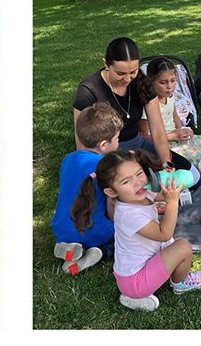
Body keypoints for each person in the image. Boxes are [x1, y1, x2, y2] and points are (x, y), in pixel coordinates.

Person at [71, 148, 201, 311]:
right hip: (135, 281)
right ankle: (180, 283)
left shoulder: (139, 194)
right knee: (183, 247)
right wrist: (172, 203)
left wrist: (168, 180)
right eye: (126, 181)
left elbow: (163, 194)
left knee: (169, 243)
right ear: (111, 192)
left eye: (139, 173)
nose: (138, 182)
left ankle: (142, 289)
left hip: (134, 269)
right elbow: (163, 233)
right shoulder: (129, 214)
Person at [73, 37, 198, 177]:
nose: (127, 79)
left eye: (133, 71)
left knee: (192, 175)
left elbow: (157, 131)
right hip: (107, 152)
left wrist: (165, 164)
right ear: (106, 64)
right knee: (134, 187)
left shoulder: (142, 82)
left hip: (139, 144)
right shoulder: (89, 91)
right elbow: (82, 146)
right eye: (120, 73)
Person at [51, 103, 123, 275]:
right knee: (123, 237)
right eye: (118, 138)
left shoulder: (67, 160)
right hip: (92, 230)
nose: (119, 142)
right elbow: (111, 203)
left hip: (61, 228)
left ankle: (65, 249)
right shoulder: (106, 166)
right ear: (103, 145)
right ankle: (100, 253)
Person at [139, 56, 194, 144]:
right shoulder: (147, 104)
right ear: (151, 82)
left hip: (174, 138)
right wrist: (172, 136)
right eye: (163, 83)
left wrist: (182, 132)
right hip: (159, 143)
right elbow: (145, 135)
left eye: (173, 80)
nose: (170, 86)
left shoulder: (170, 96)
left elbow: (175, 116)